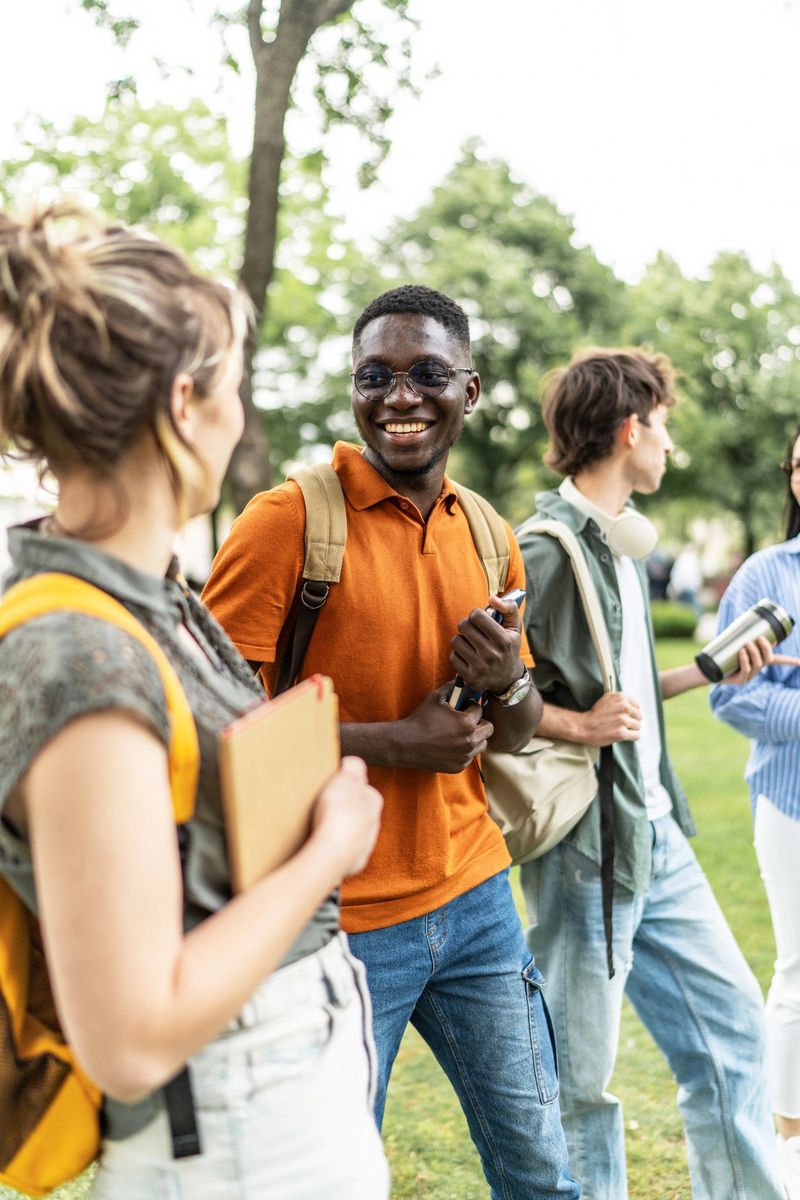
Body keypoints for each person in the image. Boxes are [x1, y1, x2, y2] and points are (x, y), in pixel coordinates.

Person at [0, 203, 388, 1200]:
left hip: (278, 1100)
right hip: (229, 1139)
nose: (239, 419)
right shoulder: (77, 652)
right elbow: (130, 1037)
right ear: (184, 404)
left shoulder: (151, 600)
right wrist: (327, 852)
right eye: (235, 390)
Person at [203, 284, 581, 1199]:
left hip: (478, 897)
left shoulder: (489, 531)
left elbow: (520, 732)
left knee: (543, 1173)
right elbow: (210, 734)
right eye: (376, 376)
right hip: (336, 920)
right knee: (330, 1182)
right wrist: (393, 742)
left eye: (426, 375)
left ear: (471, 390)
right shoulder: (287, 521)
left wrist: (508, 680)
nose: (400, 398)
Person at [516, 347, 788, 1200]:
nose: (671, 447)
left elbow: (625, 692)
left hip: (655, 832)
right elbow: (476, 695)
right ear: (631, 429)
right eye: (664, 428)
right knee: (583, 1083)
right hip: (587, 854)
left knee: (736, 1032)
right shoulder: (547, 550)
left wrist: (707, 672)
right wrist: (572, 722)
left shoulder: (622, 543)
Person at [710, 423, 800, 1200]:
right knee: (799, 970)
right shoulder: (767, 574)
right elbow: (727, 692)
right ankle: (792, 1147)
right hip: (791, 802)